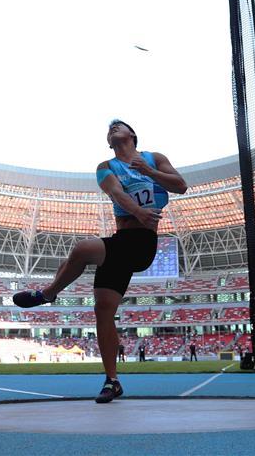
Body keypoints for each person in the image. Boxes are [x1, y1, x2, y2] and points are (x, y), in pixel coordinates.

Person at [13, 120, 187, 403]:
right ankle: (112, 381)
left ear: (132, 134)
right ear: (109, 142)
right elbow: (116, 194)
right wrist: (139, 212)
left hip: (141, 245)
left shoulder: (155, 158)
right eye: (110, 129)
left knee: (82, 250)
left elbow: (181, 186)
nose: (113, 129)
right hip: (121, 240)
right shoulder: (105, 166)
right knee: (103, 311)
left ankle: (47, 294)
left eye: (119, 126)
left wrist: (149, 171)